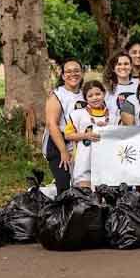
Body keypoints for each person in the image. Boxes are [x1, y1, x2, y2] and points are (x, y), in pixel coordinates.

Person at [43, 59, 85, 194]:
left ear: (82, 73)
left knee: (82, 184)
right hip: (59, 143)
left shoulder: (86, 93)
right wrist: (63, 151)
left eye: (76, 71)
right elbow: (52, 125)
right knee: (65, 187)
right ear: (62, 76)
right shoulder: (57, 95)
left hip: (81, 141)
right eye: (68, 71)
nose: (73, 74)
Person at [65, 80, 116, 189]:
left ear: (104, 94)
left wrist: (108, 130)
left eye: (98, 94)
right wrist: (85, 135)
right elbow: (68, 135)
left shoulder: (113, 116)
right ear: (85, 98)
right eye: (90, 96)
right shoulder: (77, 114)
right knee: (85, 195)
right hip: (84, 162)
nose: (95, 98)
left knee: (104, 196)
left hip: (107, 163)